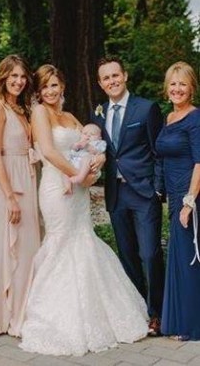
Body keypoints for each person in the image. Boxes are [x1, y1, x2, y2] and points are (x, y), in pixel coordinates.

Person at [20, 64, 148, 356]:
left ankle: (99, 313)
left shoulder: (69, 116)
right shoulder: (40, 113)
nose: (51, 91)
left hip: (78, 192)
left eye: (55, 85)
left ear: (62, 85)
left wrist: (98, 162)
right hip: (57, 189)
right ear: (38, 91)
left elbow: (93, 145)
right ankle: (55, 317)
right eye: (46, 86)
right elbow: (51, 153)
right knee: (62, 242)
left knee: (83, 239)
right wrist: (80, 176)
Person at [92, 55, 165, 337]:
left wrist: (158, 189)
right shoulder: (97, 113)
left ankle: (157, 312)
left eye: (115, 75)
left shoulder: (146, 109)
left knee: (149, 253)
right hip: (116, 194)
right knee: (128, 255)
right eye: (106, 78)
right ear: (100, 83)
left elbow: (158, 152)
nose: (112, 81)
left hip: (144, 193)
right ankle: (138, 310)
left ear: (125, 76)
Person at [0, 54, 40, 337]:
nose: (18, 81)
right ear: (3, 77)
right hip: (9, 183)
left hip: (28, 180)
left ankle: (23, 310)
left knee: (29, 248)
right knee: (9, 248)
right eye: (13, 76)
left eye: (22, 76)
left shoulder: (23, 108)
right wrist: (10, 196)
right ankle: (3, 316)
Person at [156, 61, 200, 341]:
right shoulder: (169, 118)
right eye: (173, 83)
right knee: (181, 258)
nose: (177, 89)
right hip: (173, 196)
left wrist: (189, 202)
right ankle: (182, 321)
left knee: (189, 260)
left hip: (190, 197)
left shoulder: (195, 118)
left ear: (191, 87)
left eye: (182, 84)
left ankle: (191, 327)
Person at [63, 123, 106, 193]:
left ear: (99, 137)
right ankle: (68, 186)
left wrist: (88, 146)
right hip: (75, 162)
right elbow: (73, 150)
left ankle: (80, 178)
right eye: (85, 133)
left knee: (86, 158)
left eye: (92, 134)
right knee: (65, 170)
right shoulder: (79, 141)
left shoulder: (99, 143)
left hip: (87, 164)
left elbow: (97, 151)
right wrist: (76, 146)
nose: (88, 136)